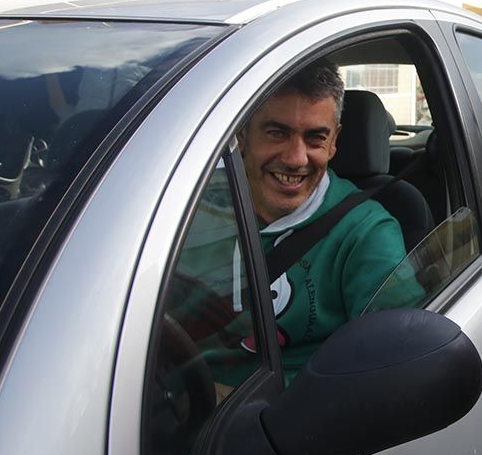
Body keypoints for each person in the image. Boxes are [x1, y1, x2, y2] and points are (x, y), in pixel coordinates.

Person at [176, 59, 423, 385]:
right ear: (242, 133)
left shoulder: (364, 234)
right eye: (277, 133)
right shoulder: (185, 208)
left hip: (279, 423)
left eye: (315, 138)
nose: (295, 158)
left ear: (334, 141)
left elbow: (399, 362)